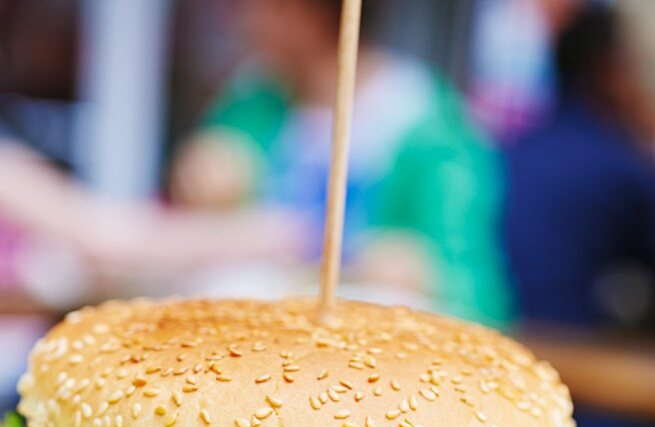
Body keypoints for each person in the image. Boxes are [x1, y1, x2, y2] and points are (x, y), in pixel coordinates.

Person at [171, 0, 512, 325]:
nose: (240, 19)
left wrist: (427, 273)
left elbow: (474, 289)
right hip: (254, 329)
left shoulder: (429, 126)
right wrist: (198, 176)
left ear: (302, 13)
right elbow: (201, 200)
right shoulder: (257, 99)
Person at [503, 4, 655, 328]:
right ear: (611, 71)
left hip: (507, 329)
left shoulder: (518, 147)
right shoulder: (615, 165)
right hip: (571, 347)